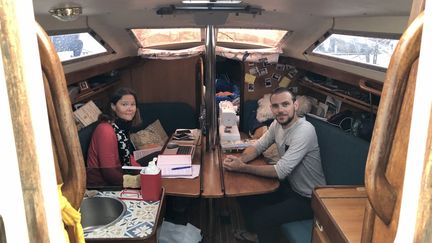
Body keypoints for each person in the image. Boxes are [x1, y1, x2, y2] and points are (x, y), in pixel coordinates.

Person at [223, 87, 326, 243]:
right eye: (276, 106)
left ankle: (260, 235)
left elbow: (280, 171)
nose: (281, 110)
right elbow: (258, 147)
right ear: (271, 109)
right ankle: (258, 234)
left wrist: (243, 168)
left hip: (309, 199)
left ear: (295, 105)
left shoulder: (305, 131)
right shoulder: (276, 125)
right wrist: (240, 160)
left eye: (285, 104)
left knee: (260, 218)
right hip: (290, 188)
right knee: (244, 196)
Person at [87, 87, 142, 187]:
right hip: (103, 187)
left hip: (120, 176)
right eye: (124, 104)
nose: (130, 108)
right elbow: (109, 173)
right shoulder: (105, 130)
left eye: (132, 104)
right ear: (113, 106)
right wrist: (137, 181)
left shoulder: (121, 126)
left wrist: (143, 172)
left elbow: (128, 157)